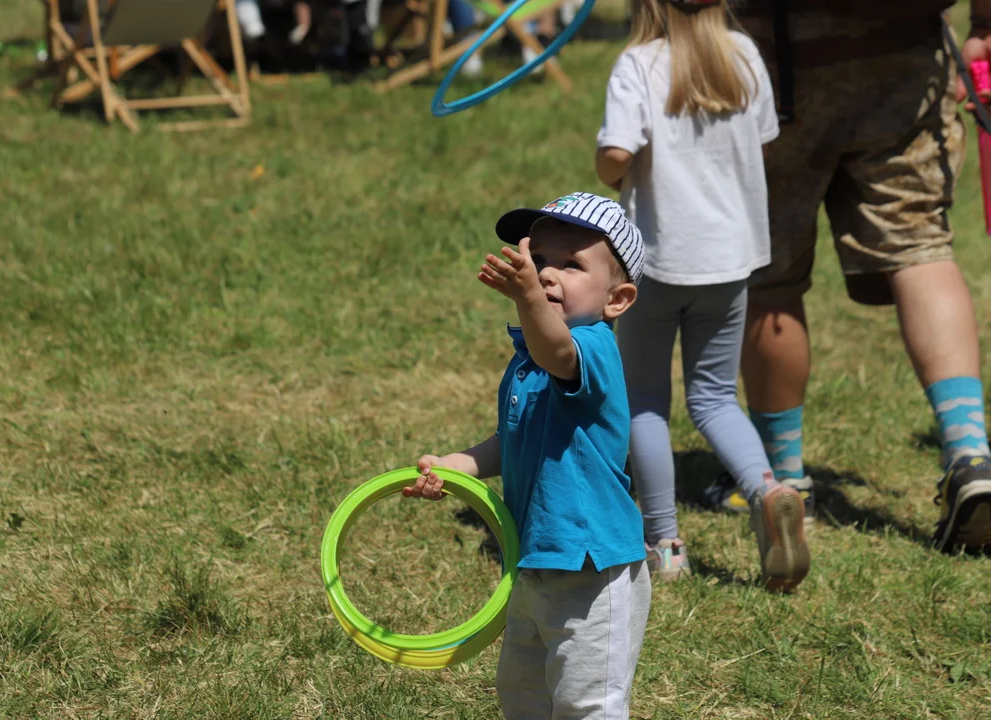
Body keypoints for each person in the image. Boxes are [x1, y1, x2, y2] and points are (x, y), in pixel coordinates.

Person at [703, 0, 991, 554]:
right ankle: (969, 454)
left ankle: (782, 477)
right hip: (902, 49)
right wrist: (985, 24)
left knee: (768, 272)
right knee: (919, 244)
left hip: (764, 52)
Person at [403, 192, 651, 719]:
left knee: (587, 705)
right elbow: (509, 442)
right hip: (532, 559)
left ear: (617, 299)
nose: (546, 274)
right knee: (522, 696)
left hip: (591, 569)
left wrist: (528, 299)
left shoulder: (593, 348)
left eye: (570, 264)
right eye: (538, 261)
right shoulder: (526, 364)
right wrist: (455, 467)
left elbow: (558, 350)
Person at [595, 0, 811, 589]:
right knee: (715, 398)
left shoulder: (638, 64)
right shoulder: (745, 56)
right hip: (730, 259)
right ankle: (767, 489)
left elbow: (615, 157)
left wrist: (610, 166)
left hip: (658, 263)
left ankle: (664, 542)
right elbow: (761, 140)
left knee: (643, 403)